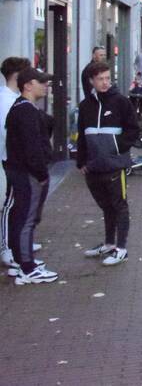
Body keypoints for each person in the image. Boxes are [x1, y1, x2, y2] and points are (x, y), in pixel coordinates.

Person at [77, 62, 140, 268]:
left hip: (114, 165)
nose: (105, 83)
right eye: (100, 79)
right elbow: (82, 136)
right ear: (91, 81)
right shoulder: (85, 106)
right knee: (106, 206)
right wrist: (81, 161)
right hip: (93, 167)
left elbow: (133, 131)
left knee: (119, 205)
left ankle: (121, 248)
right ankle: (108, 243)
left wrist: (114, 148)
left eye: (107, 78)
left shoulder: (121, 102)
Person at [5, 68, 58, 284]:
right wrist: (41, 173)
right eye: (41, 82)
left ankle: (22, 262)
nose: (46, 86)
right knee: (26, 218)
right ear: (28, 85)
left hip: (21, 170)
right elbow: (32, 147)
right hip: (26, 173)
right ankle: (27, 267)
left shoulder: (23, 109)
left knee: (22, 216)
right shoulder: (25, 111)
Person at [0, 57, 32, 271]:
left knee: (18, 203)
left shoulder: (12, 98)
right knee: (11, 204)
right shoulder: (6, 100)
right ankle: (8, 248)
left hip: (14, 159)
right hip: (10, 160)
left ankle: (18, 242)